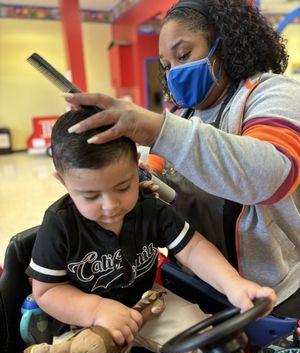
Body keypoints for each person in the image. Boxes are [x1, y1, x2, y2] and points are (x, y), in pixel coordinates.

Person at [63, 0, 300, 307]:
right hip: (200, 280)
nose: (174, 72)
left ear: (223, 44)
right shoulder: (183, 115)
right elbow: (160, 183)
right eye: (166, 65)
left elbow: (268, 177)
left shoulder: (272, 93)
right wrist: (129, 180)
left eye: (184, 55)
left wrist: (157, 130)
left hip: (274, 291)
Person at [26, 109, 275, 353]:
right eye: (90, 196)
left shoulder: (149, 207)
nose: (110, 205)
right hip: (81, 325)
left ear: (138, 165)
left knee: (205, 340)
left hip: (147, 303)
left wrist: (234, 284)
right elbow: (46, 291)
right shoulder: (60, 224)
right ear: (63, 181)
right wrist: (96, 310)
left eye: (123, 187)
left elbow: (192, 247)